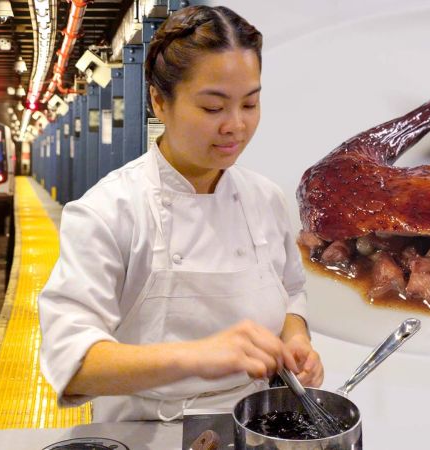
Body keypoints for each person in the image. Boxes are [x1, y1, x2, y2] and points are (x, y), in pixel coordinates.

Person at [38, 5, 323, 422]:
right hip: (145, 431)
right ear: (158, 101)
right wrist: (193, 357)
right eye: (213, 108)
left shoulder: (265, 198)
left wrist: (296, 337)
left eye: (250, 104)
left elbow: (292, 290)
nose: (235, 126)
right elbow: (70, 362)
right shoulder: (109, 211)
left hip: (256, 426)